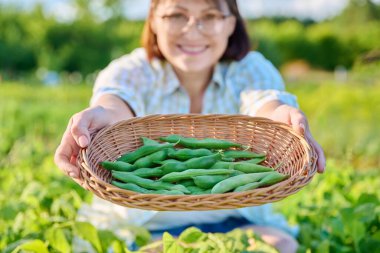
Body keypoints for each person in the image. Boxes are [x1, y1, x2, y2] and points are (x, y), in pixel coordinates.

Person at [54, 0, 326, 252]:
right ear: (153, 20)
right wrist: (102, 114)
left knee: (280, 245)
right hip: (145, 225)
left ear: (231, 24)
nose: (192, 30)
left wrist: (282, 116)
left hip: (235, 219)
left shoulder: (250, 68)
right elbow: (117, 104)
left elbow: (265, 102)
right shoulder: (131, 69)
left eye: (210, 16)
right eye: (176, 15)